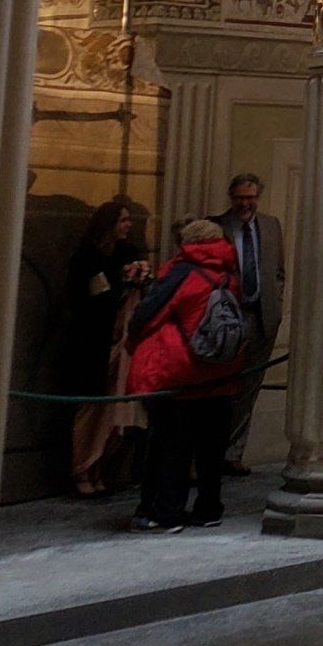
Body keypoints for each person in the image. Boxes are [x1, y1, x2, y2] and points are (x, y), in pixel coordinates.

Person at [125, 220, 247, 531]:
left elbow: (148, 314)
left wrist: (133, 340)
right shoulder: (229, 275)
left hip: (182, 374)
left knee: (172, 446)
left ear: (188, 243)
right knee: (211, 450)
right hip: (221, 373)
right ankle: (209, 509)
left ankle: (167, 512)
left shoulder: (183, 273)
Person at [65, 198, 150, 497]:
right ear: (109, 223)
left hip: (122, 340)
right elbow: (84, 297)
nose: (128, 225)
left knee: (115, 407)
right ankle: (82, 468)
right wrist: (122, 282)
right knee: (91, 405)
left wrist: (138, 279)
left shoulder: (128, 251)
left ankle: (100, 466)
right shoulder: (87, 256)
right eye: (123, 220)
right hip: (93, 340)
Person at [216, 172, 285, 475]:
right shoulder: (217, 226)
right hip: (229, 316)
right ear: (231, 198)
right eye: (240, 198)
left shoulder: (270, 226)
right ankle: (211, 451)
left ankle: (233, 452)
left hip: (262, 316)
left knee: (250, 389)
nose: (246, 203)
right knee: (222, 386)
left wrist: (276, 303)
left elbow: (278, 271)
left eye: (251, 197)